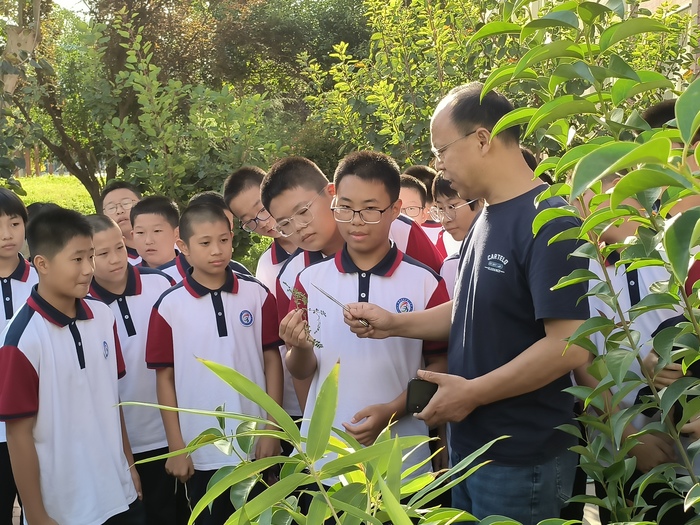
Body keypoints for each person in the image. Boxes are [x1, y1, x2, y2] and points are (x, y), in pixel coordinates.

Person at [343, 83, 590, 524]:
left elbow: (569, 344)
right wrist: (395, 324)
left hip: (520, 455)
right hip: (473, 447)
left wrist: (473, 393)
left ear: (481, 139)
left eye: (442, 151)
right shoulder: (487, 218)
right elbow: (469, 306)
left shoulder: (548, 221)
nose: (439, 166)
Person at [280, 150, 449, 477]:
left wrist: (393, 411)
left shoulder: (425, 283)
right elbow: (301, 370)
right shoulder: (309, 281)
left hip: (404, 461)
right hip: (327, 459)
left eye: (371, 209)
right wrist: (298, 347)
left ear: (395, 210)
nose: (356, 220)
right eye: (345, 207)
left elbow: (440, 366)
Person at [0, 206, 145, 525]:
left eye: (90, 257)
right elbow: (18, 434)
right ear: (43, 264)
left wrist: (129, 466)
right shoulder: (22, 338)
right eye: (77, 259)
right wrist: (36, 514)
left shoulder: (104, 317)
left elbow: (113, 399)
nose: (89, 269)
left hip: (119, 494)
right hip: (64, 509)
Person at [145, 204, 283, 524]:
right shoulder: (168, 307)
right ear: (184, 247)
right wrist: (177, 446)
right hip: (202, 451)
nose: (216, 250)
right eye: (205, 243)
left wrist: (271, 429)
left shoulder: (257, 295)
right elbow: (164, 378)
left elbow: (272, 362)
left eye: (223, 240)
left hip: (256, 445)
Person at [86, 215, 187, 525]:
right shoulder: (85, 307)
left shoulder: (162, 283)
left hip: (175, 435)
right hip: (124, 444)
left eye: (119, 247)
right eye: (101, 254)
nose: (115, 259)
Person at [0, 189, 37, 525]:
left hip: (37, 424)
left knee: (39, 508)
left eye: (14, 223)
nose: (6, 235)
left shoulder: (44, 280)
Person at [223, 166, 296, 293]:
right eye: (250, 221)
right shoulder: (267, 265)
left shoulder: (320, 233)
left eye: (262, 209)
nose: (262, 223)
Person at [430, 173, 481, 298]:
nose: (445, 219)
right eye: (440, 208)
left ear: (481, 200)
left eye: (452, 206)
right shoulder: (451, 266)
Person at [130, 196, 180, 270]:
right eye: (140, 232)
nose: (148, 241)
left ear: (176, 233)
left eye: (157, 231)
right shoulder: (129, 277)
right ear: (132, 235)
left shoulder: (196, 272)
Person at [101, 181, 143, 265]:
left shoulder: (172, 243)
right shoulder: (112, 263)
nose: (119, 211)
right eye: (111, 207)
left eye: (126, 203)